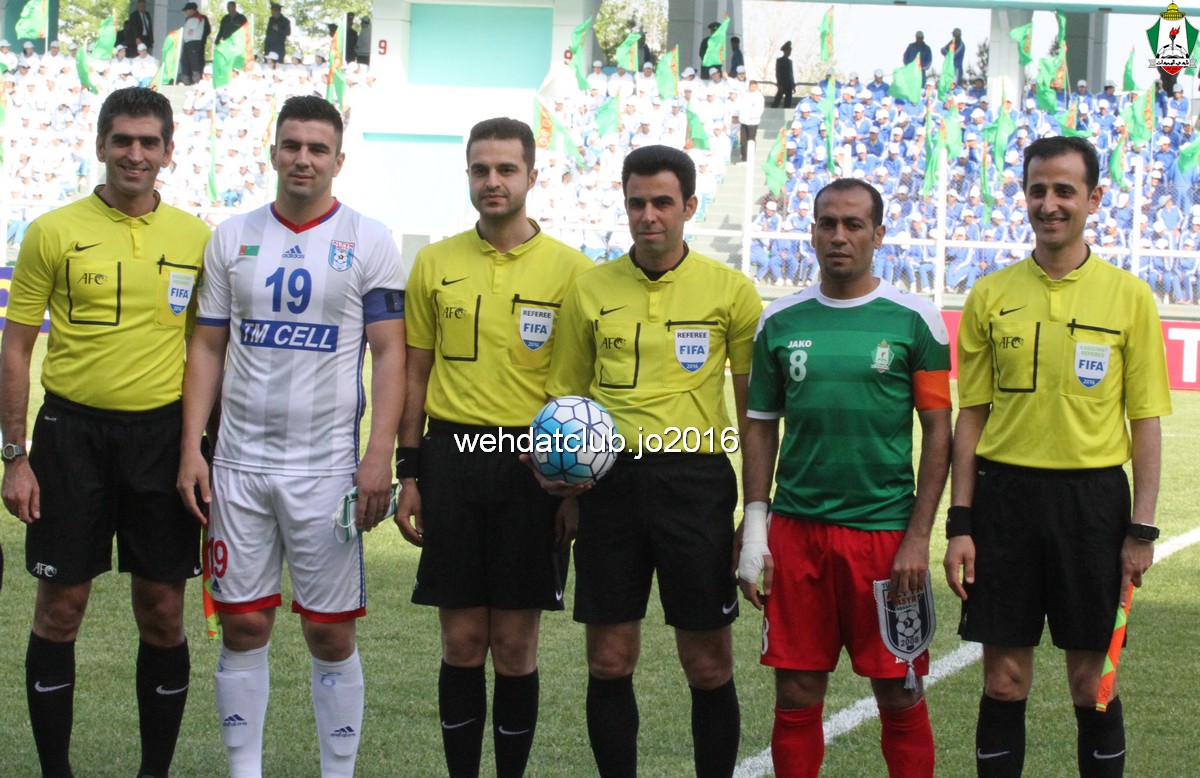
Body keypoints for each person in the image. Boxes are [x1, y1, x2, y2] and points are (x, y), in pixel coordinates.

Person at [176, 95, 407, 778]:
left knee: (329, 631)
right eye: (292, 146)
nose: (303, 159)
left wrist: (378, 455)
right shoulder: (232, 236)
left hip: (327, 469)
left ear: (339, 159)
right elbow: (207, 346)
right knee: (244, 623)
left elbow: (390, 353)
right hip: (239, 464)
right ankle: (243, 771)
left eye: (317, 149)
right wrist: (192, 449)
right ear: (274, 151)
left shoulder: (369, 239)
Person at [944, 135, 1171, 777]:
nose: (1050, 204)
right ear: (1024, 196)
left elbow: (1145, 421)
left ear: (1093, 199)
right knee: (1004, 681)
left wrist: (1142, 529)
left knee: (1091, 684)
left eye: (1065, 191)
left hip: (1092, 505)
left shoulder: (1130, 297)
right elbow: (972, 415)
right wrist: (961, 523)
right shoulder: (989, 295)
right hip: (1004, 501)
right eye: (1038, 190)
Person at [1, 86, 210, 778]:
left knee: (163, 610)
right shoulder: (52, 231)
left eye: (149, 142)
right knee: (61, 608)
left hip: (162, 441)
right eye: (122, 139)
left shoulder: (196, 239)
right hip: (70, 438)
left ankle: (154, 772)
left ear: (169, 152)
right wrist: (14, 455)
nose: (135, 153)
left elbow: (210, 352)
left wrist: (200, 450)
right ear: (100, 145)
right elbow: (15, 348)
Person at [546, 144, 760, 778]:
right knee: (609, 660)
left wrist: (756, 515)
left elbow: (755, 416)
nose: (648, 216)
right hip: (607, 485)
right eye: (637, 202)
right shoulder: (590, 289)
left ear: (689, 206)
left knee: (708, 663)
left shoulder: (731, 291)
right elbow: (565, 399)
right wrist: (566, 492)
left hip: (695, 483)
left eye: (663, 202)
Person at [393, 117, 591, 778]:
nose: (492, 181)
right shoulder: (435, 263)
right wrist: (409, 473)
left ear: (532, 175)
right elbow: (415, 373)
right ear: (468, 176)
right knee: (461, 640)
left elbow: (581, 390)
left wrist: (570, 490)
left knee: (512, 644)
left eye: (506, 169)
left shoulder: (572, 272)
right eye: (481, 169)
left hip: (532, 471)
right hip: (451, 459)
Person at [738, 178, 951, 778]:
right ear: (811, 232)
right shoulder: (779, 320)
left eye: (853, 224)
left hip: (884, 538)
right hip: (797, 534)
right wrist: (755, 528)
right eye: (827, 223)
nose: (839, 235)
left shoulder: (916, 320)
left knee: (900, 694)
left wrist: (917, 538)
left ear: (878, 235)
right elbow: (760, 428)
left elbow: (939, 433)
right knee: (796, 694)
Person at [179, 2, 210, 86]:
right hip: (188, 42)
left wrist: (192, 31)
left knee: (194, 62)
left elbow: (193, 28)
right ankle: (185, 80)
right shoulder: (189, 18)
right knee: (185, 61)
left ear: (192, 10)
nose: (186, 12)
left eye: (187, 10)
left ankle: (196, 81)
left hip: (194, 43)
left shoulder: (198, 18)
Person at [740, 80, 765, 163]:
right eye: (751, 86)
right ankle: (744, 159)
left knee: (751, 140)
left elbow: (760, 110)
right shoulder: (745, 93)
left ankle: (750, 158)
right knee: (743, 141)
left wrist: (751, 116)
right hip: (743, 121)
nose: (753, 88)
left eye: (754, 87)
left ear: (756, 87)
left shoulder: (759, 96)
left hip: (753, 122)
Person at [773, 41, 795, 109]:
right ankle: (771, 112)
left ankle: (787, 115)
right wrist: (779, 84)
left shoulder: (790, 61)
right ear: (785, 51)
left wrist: (793, 85)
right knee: (777, 100)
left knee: (788, 102)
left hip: (789, 85)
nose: (789, 53)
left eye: (790, 51)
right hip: (782, 84)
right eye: (788, 51)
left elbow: (791, 74)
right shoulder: (780, 60)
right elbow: (778, 73)